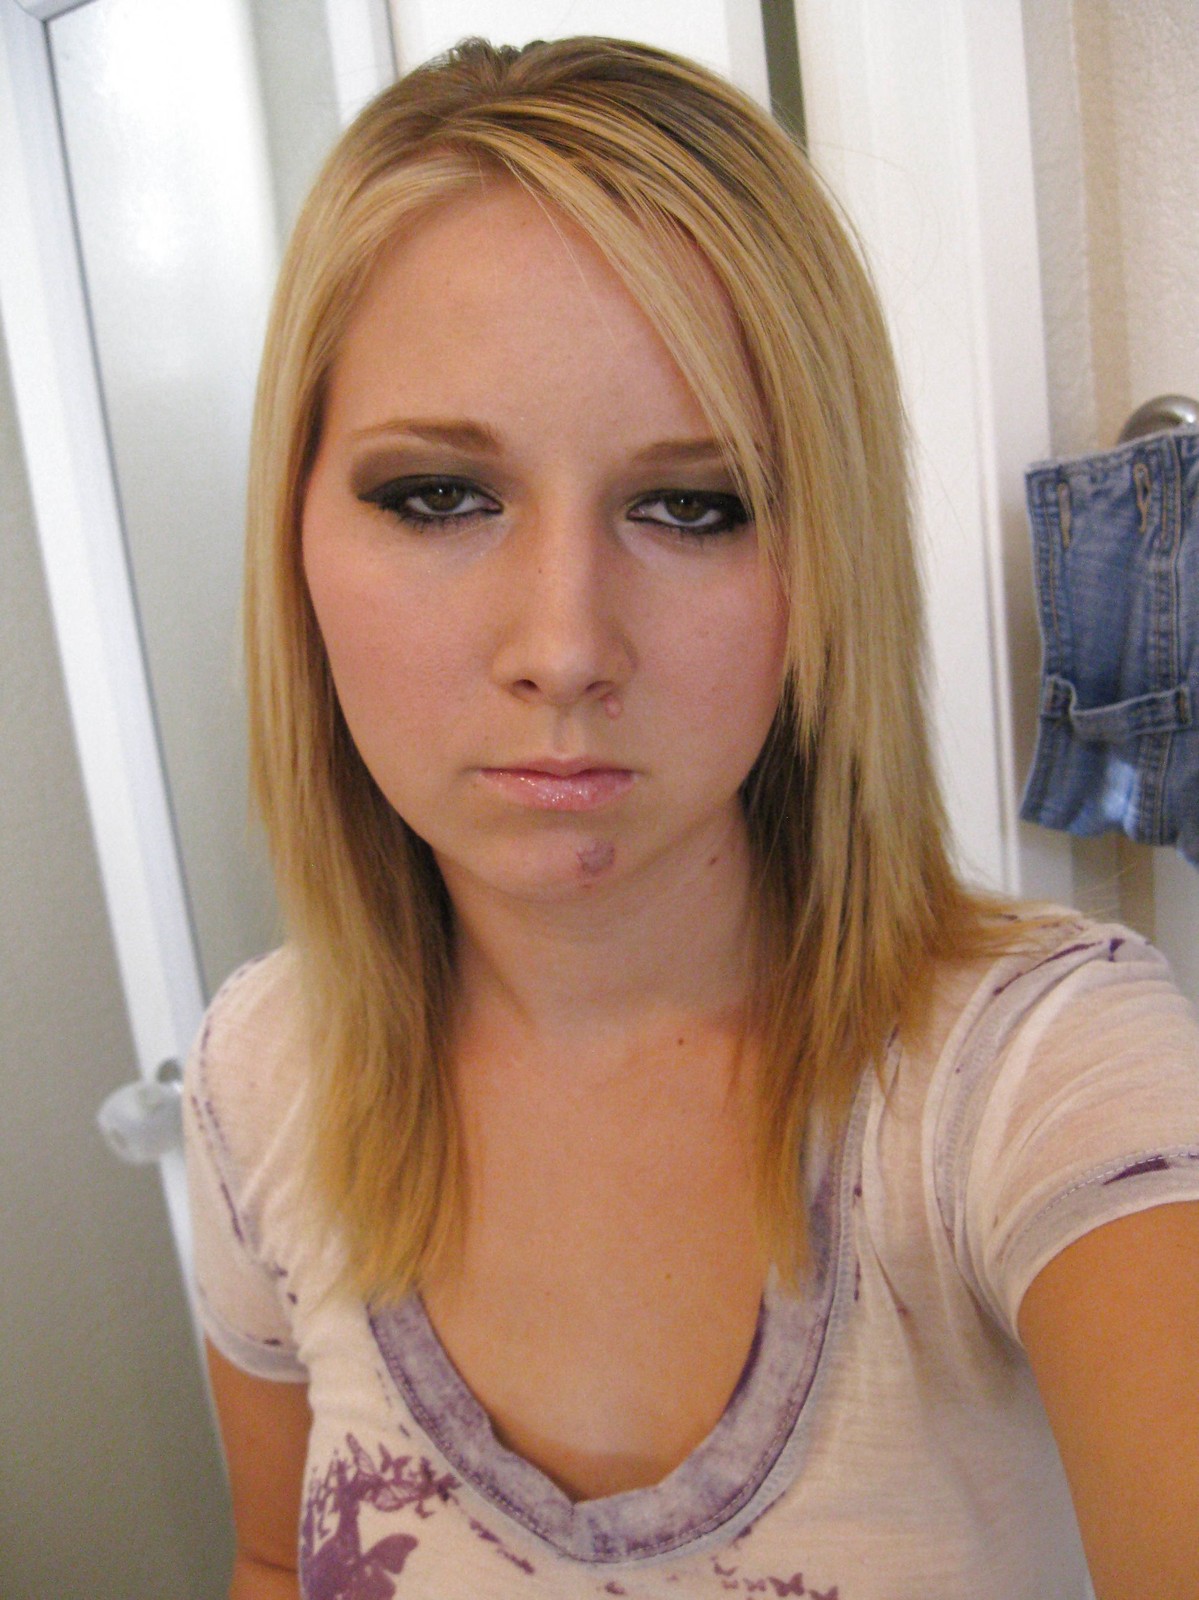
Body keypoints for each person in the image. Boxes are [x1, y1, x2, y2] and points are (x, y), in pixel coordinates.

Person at [183, 36, 1199, 1600]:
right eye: (440, 494)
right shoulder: (264, 1081)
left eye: (696, 505)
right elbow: (269, 1557)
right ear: (294, 531)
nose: (566, 647)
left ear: (826, 564)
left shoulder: (1040, 1080)